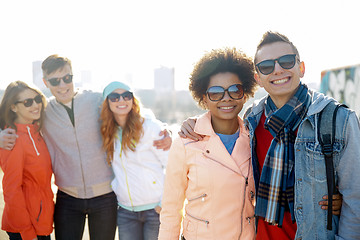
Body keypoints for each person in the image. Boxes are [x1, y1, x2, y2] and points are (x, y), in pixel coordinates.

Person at [179, 31, 359, 240]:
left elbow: (355, 199)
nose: (277, 70)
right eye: (266, 66)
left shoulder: (337, 119)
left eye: (286, 61)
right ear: (258, 78)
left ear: (300, 68)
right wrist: (193, 124)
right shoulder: (252, 119)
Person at [0, 54, 172, 240]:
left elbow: (129, 108)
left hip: (105, 197)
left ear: (73, 76)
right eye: (55, 81)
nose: (63, 85)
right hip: (67, 197)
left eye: (67, 78)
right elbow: (16, 121)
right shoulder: (44, 111)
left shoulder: (96, 100)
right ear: (45, 82)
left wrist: (164, 128)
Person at [158, 48, 258, 240]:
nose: (226, 98)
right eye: (215, 93)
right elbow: (171, 208)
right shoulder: (186, 143)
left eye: (235, 90)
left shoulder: (254, 140)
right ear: (204, 98)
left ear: (244, 94)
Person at [100, 81, 169, 240]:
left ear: (133, 99)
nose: (121, 100)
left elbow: (171, 166)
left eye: (126, 96)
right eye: (114, 97)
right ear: (107, 102)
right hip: (125, 212)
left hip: (155, 210)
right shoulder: (108, 132)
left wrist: (163, 203)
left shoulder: (150, 127)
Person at [0, 81, 54, 240]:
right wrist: (26, 233)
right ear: (13, 107)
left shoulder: (36, 133)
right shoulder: (12, 138)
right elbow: (11, 189)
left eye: (37, 99)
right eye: (27, 102)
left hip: (41, 220)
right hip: (26, 227)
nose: (35, 105)